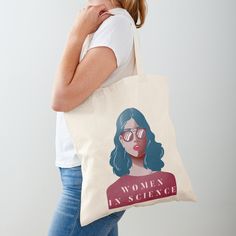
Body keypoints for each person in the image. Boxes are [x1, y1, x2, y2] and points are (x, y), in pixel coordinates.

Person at [48, 0, 147, 235]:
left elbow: (61, 97)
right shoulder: (104, 25)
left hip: (90, 178)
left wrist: (76, 33)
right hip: (84, 172)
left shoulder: (115, 26)